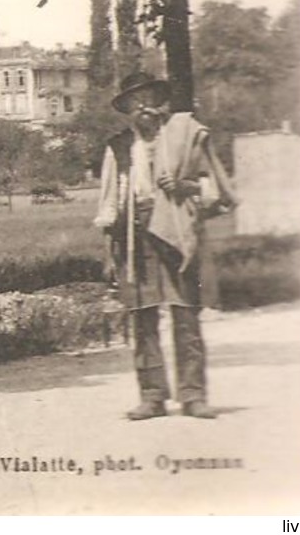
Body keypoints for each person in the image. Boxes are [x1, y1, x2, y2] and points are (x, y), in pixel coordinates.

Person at [93, 71, 237, 421]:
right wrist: (109, 251)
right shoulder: (119, 148)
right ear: (126, 109)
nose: (143, 107)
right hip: (135, 236)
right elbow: (109, 203)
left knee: (185, 314)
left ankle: (193, 395)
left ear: (161, 103)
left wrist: (184, 186)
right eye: (134, 102)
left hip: (177, 232)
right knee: (142, 319)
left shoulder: (186, 139)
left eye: (149, 99)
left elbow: (213, 192)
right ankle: (153, 396)